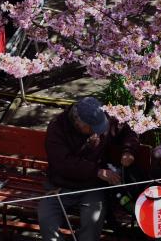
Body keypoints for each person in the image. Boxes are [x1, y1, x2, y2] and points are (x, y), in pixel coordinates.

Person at [38, 97, 139, 241]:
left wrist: (129, 151)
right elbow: (64, 163)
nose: (97, 132)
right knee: (46, 220)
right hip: (60, 186)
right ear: (78, 122)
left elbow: (130, 130)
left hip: (92, 186)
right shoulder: (57, 127)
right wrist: (97, 171)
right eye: (93, 128)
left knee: (93, 223)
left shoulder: (104, 116)